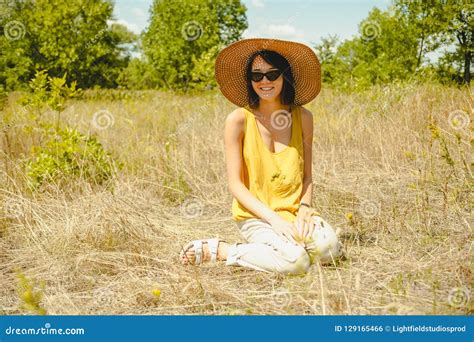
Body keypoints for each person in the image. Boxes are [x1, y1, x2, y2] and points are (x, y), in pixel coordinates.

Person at [179, 38, 342, 275]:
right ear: (249, 81)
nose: (264, 81)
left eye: (272, 73)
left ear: (285, 76)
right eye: (256, 76)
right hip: (256, 216)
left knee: (329, 250)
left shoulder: (304, 117)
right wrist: (274, 220)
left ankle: (287, 247)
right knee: (296, 263)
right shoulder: (237, 120)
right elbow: (235, 185)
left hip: (295, 212)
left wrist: (305, 208)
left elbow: (307, 176)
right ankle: (223, 250)